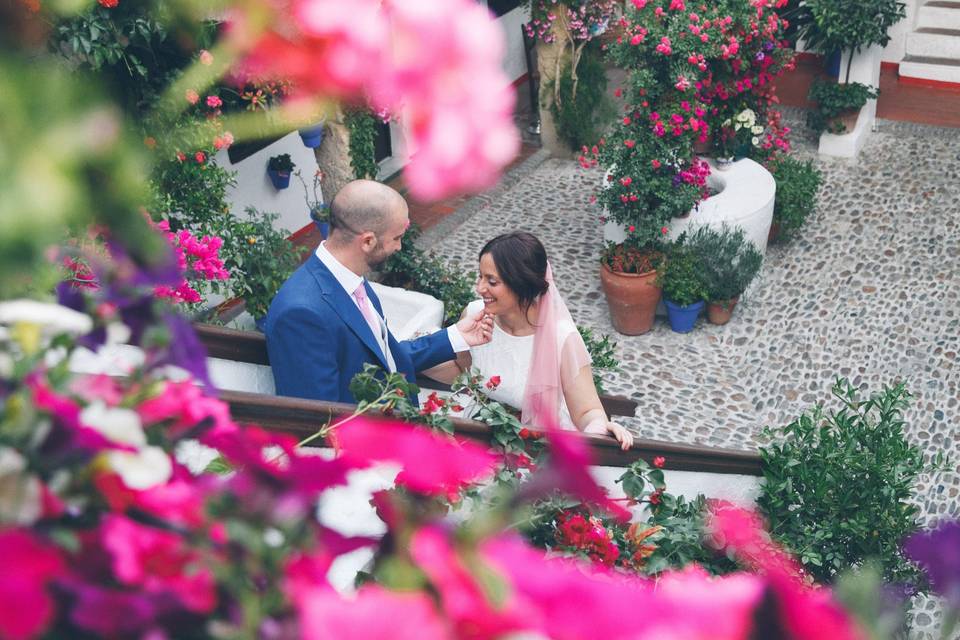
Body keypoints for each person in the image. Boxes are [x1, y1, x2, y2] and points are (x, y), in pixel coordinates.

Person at [264, 179, 493, 404]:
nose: (399, 247)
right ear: (367, 241)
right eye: (397, 238)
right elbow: (318, 419)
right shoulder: (300, 313)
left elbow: (384, 360)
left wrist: (456, 336)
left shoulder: (353, 282)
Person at [425, 232, 634, 450]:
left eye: (492, 281)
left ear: (520, 284)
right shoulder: (475, 314)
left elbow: (586, 411)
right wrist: (407, 360)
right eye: (480, 277)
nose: (480, 288)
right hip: (483, 431)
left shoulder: (562, 338)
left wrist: (602, 428)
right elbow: (462, 370)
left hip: (540, 446)